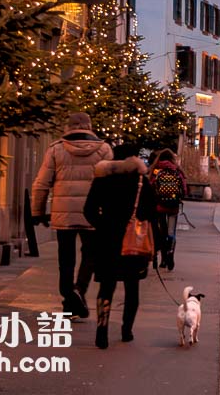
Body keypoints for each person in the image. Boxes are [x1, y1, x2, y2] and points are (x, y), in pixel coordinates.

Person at [31, 112, 112, 318]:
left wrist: (37, 212)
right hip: (93, 214)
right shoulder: (103, 150)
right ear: (89, 126)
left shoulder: (56, 149)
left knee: (65, 259)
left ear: (68, 127)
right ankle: (79, 289)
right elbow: (111, 183)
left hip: (63, 213)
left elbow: (42, 183)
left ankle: (68, 301)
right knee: (90, 255)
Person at [83, 144, 156, 349]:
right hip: (132, 243)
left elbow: (88, 209)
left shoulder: (102, 178)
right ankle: (126, 331)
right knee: (132, 288)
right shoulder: (140, 180)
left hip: (107, 240)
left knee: (106, 286)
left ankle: (102, 330)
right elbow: (151, 210)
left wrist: (102, 224)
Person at [148, 149, 186, 271]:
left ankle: (163, 260)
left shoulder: (156, 169)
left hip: (159, 206)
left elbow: (151, 186)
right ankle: (170, 253)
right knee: (171, 233)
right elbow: (184, 189)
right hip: (173, 206)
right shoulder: (177, 170)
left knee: (161, 233)